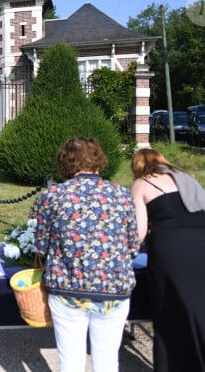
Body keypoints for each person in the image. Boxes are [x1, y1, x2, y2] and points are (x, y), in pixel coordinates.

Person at [29, 136, 139, 372]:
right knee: (107, 360)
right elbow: (133, 246)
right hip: (113, 288)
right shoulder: (121, 194)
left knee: (70, 360)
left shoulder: (53, 196)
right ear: (98, 159)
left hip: (68, 288)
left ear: (65, 163)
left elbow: (40, 246)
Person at [130, 148, 205, 372]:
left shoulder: (142, 183)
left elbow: (138, 233)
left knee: (171, 312)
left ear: (138, 167)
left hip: (174, 248)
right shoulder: (189, 179)